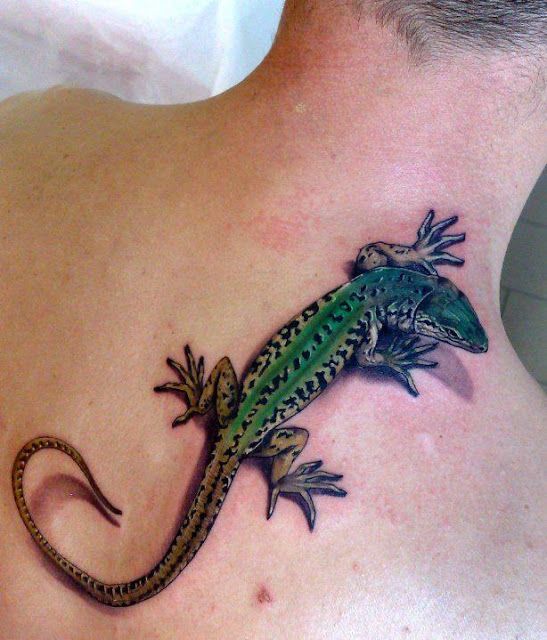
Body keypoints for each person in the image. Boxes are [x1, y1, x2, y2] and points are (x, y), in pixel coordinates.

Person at [0, 1, 545, 637]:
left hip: (236, 412)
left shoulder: (26, 129)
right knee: (282, 445)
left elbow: (373, 257)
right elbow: (369, 352)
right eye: (445, 331)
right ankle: (279, 471)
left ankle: (207, 401)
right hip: (251, 432)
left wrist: (415, 256)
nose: (452, 340)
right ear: (421, 313)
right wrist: (395, 356)